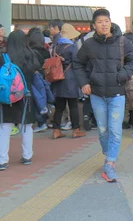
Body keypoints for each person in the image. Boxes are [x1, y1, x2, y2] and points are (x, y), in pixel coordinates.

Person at [73, 9, 133, 182]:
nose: (104, 24)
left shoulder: (123, 41)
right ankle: (109, 152)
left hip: (117, 93)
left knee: (115, 131)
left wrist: (122, 75)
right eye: (100, 21)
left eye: (106, 21)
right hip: (96, 94)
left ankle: (110, 163)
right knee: (103, 131)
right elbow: (78, 64)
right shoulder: (89, 45)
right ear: (94, 25)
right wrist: (84, 83)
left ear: (110, 22)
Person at [0, 30, 41, 171]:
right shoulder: (31, 55)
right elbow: (37, 73)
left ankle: (2, 160)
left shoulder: (3, 57)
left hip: (7, 97)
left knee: (5, 126)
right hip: (26, 96)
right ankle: (27, 156)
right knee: (26, 126)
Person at [50, 23, 87, 140]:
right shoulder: (72, 47)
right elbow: (77, 64)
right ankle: (76, 130)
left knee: (59, 107)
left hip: (58, 79)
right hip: (70, 80)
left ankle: (56, 130)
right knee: (73, 106)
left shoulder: (56, 46)